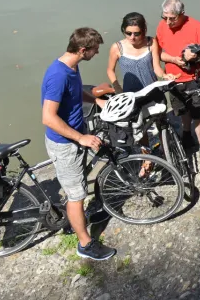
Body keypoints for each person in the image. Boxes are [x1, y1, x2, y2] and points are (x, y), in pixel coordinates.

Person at [41, 27, 116, 261]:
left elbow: (74, 95)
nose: (96, 53)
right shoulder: (58, 75)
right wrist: (80, 138)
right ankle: (85, 244)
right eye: (94, 50)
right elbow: (48, 117)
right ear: (83, 49)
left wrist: (96, 100)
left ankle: (85, 217)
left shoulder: (72, 66)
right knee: (76, 195)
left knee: (80, 183)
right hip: (65, 144)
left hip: (76, 133)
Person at [156, 0, 200, 171]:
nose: (168, 22)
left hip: (194, 79)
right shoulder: (162, 26)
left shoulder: (196, 26)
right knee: (182, 111)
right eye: (164, 17)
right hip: (174, 80)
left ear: (182, 14)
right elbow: (158, 54)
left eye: (172, 18)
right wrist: (175, 59)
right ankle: (187, 135)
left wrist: (196, 56)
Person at [106, 12, 174, 94]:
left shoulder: (151, 42)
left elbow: (156, 68)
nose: (132, 37)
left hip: (153, 91)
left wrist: (165, 76)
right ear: (123, 30)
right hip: (131, 95)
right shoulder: (117, 47)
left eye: (137, 34)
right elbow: (110, 70)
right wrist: (117, 88)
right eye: (128, 33)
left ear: (143, 31)